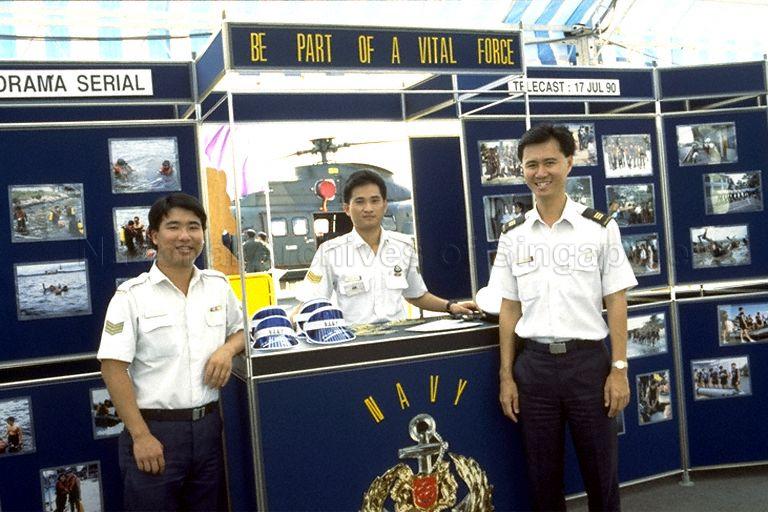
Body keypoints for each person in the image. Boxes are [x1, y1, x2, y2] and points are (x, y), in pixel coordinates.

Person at [489, 124, 637, 511]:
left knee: (601, 477)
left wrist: (619, 368)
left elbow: (617, 299)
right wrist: (507, 375)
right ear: (521, 169)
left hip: (588, 365)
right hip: (533, 370)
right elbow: (509, 307)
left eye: (550, 162)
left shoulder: (599, 229)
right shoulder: (513, 235)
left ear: (569, 163)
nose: (541, 172)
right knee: (542, 480)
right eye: (531, 164)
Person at [98, 193, 245, 511]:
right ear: (153, 235)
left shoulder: (218, 286)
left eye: (194, 227)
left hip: (209, 430)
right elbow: (112, 367)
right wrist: (140, 436)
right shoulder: (131, 296)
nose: (184, 236)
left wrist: (226, 350)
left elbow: (243, 330)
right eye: (173, 227)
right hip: (155, 432)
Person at [296, 169, 479, 325]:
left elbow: (416, 295)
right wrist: (288, 321)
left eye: (375, 200)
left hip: (397, 341)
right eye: (360, 201)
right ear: (346, 208)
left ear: (384, 205)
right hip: (355, 345)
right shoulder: (330, 252)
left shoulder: (404, 246)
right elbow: (311, 301)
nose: (368, 208)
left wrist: (450, 306)